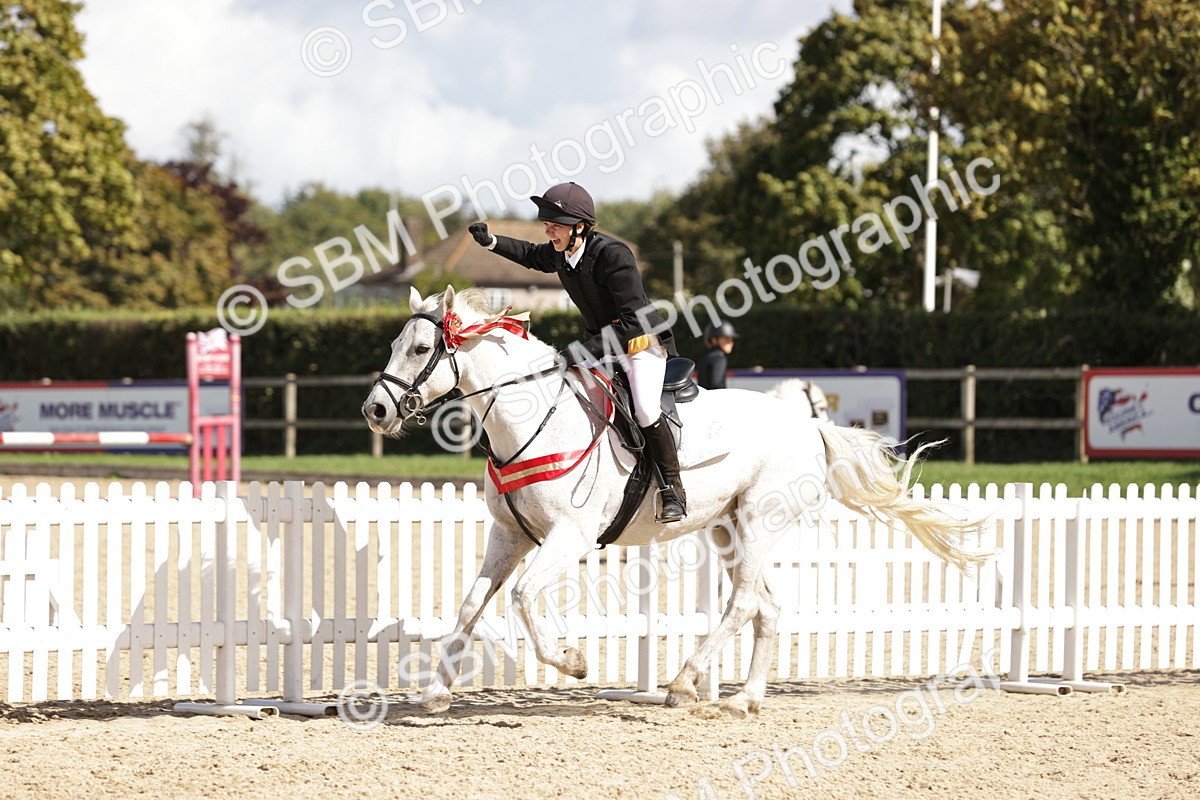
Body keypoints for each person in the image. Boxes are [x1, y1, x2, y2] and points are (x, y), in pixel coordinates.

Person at [467, 182, 686, 522]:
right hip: (603, 347)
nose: (547, 228)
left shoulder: (615, 256)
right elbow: (530, 255)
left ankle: (672, 489)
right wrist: (491, 242)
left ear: (580, 226)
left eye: (555, 223)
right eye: (546, 222)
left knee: (643, 409)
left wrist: (583, 350)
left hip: (640, 344)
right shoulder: (563, 253)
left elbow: (632, 321)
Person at [697, 320, 738, 390]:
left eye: (731, 339)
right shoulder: (719, 358)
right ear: (714, 340)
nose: (731, 342)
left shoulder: (705, 357)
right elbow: (716, 384)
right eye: (726, 339)